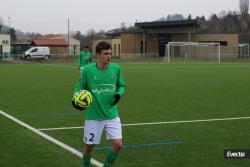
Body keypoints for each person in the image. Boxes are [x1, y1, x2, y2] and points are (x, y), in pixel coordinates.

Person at [72, 41, 125, 167]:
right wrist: (75, 100)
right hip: (94, 116)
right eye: (106, 53)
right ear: (98, 55)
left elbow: (121, 85)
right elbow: (78, 88)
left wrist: (119, 94)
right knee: (89, 148)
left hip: (112, 114)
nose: (109, 56)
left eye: (110, 53)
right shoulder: (87, 71)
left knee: (118, 144)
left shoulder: (116, 68)